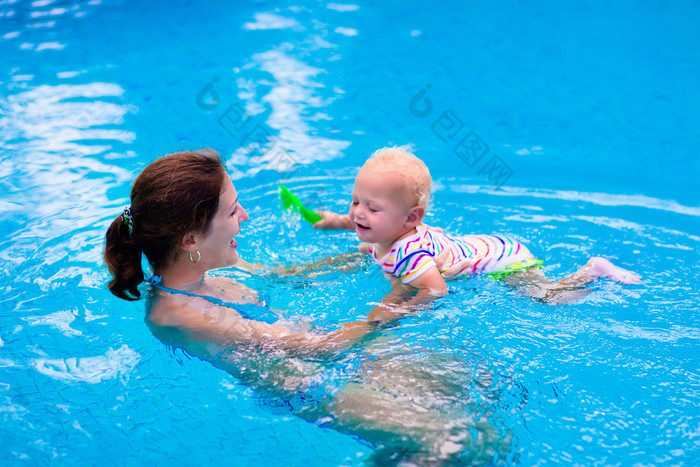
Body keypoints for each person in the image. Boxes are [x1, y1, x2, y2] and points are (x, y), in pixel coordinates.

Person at [103, 149, 512, 464]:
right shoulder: (178, 313)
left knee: (475, 384)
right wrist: (405, 294)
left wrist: (387, 252)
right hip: (308, 387)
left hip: (333, 356)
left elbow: (290, 275)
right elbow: (318, 348)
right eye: (232, 211)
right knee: (466, 442)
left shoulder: (216, 269)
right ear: (190, 239)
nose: (244, 216)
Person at [313, 146, 641, 319]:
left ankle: (592, 271)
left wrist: (398, 308)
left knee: (549, 298)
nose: (357, 213)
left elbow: (437, 290)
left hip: (503, 260)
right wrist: (333, 221)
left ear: (411, 218)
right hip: (481, 244)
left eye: (371, 208)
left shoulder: (409, 255)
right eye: (355, 201)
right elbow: (357, 220)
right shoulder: (386, 230)